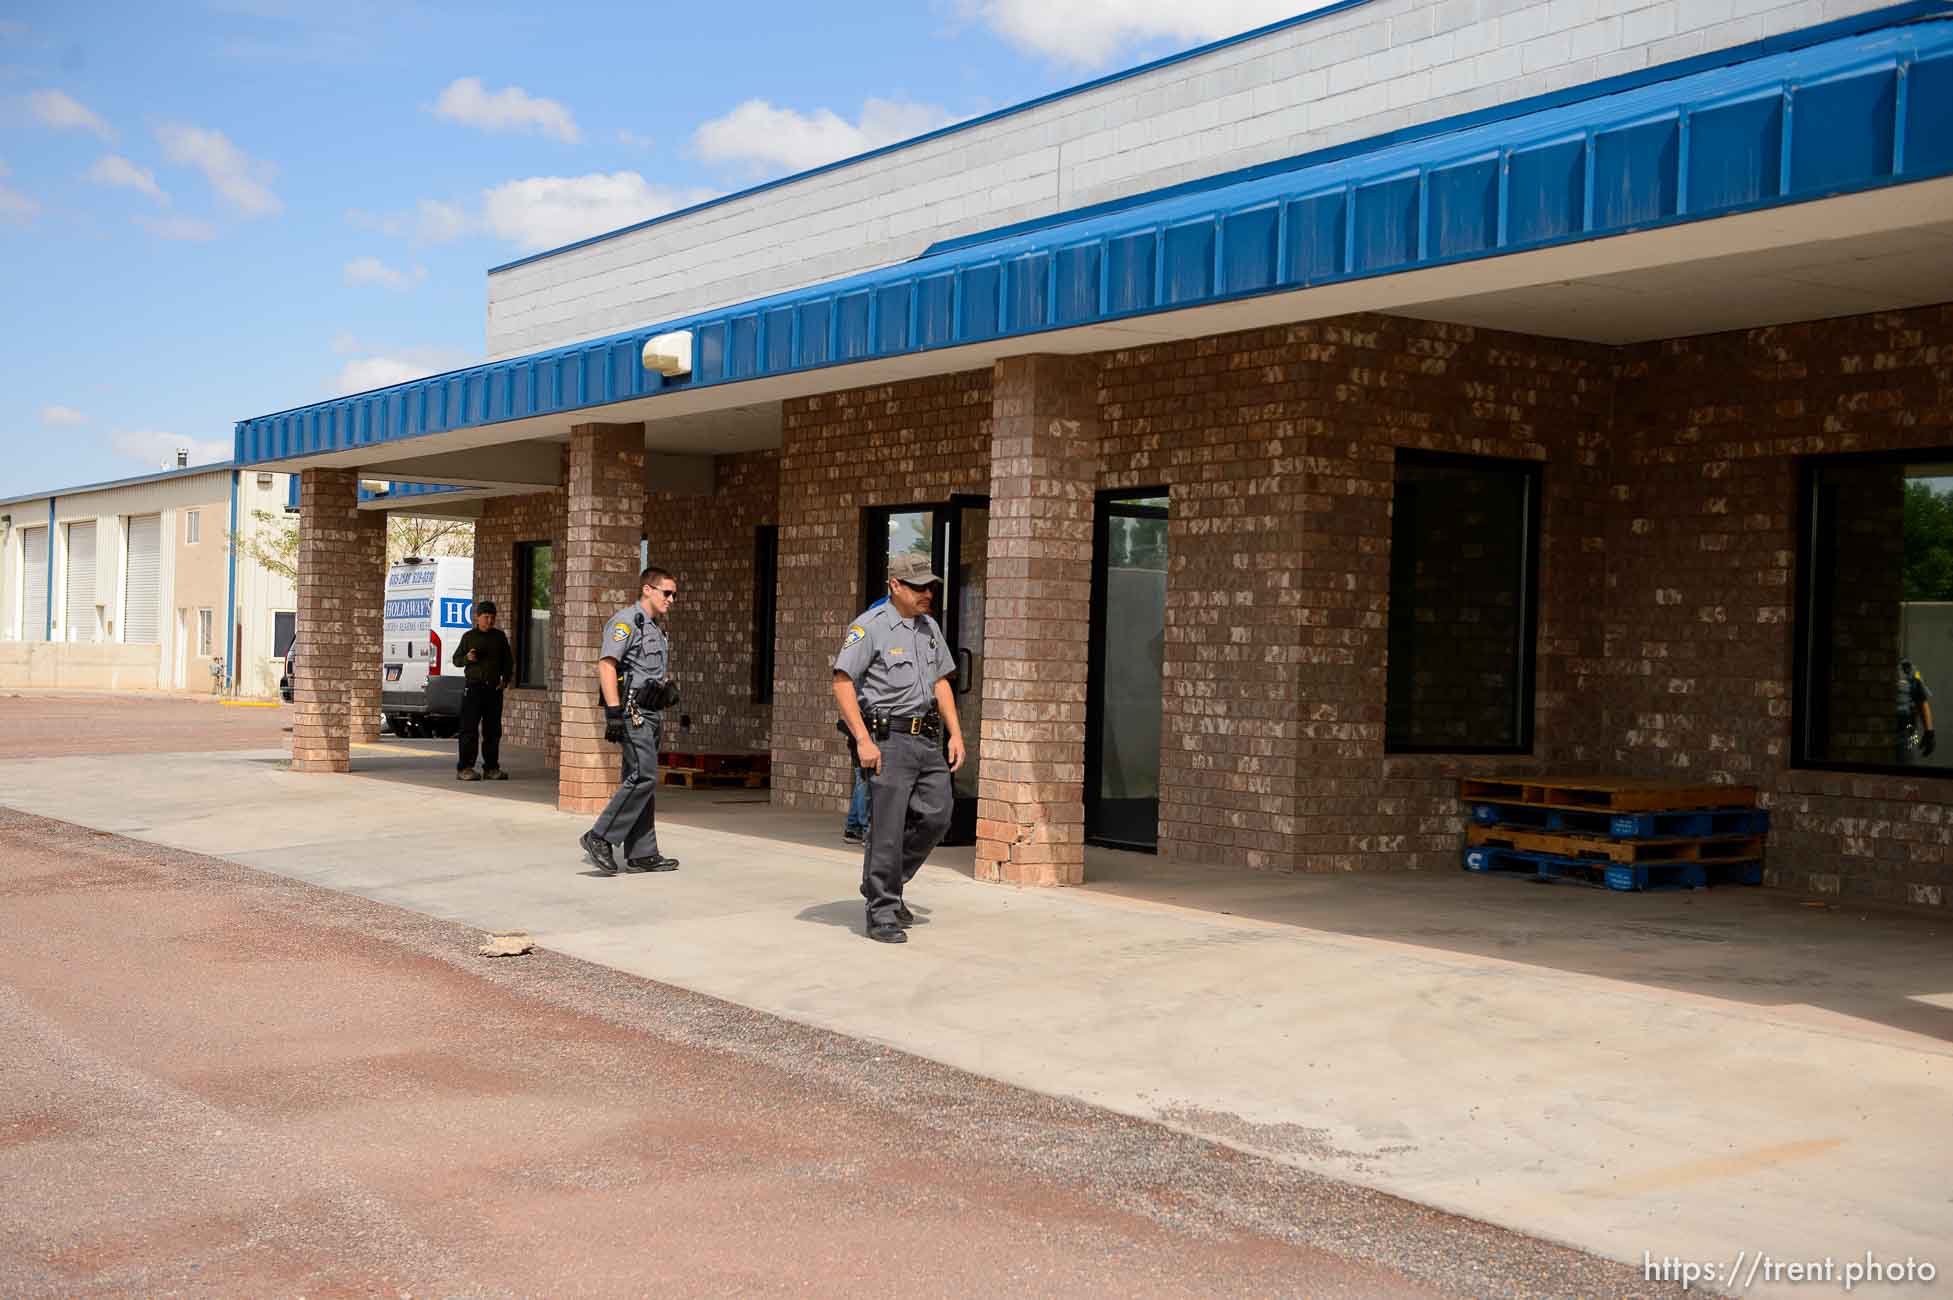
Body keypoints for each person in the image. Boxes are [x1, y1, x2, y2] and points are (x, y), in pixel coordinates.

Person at [832, 553, 965, 943]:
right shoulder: (868, 628)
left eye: (930, 587)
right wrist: (863, 741)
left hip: (926, 739)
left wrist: (956, 734)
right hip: (886, 740)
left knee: (938, 816)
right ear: (895, 585)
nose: (928, 593)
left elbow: (941, 682)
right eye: (919, 587)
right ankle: (883, 910)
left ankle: (883, 881)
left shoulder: (928, 628)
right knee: (886, 830)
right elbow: (842, 682)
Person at [581, 568, 681, 875]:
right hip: (632, 711)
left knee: (641, 779)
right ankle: (599, 836)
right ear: (648, 589)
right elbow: (607, 664)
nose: (672, 599)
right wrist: (613, 712)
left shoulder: (655, 627)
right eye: (667, 593)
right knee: (644, 775)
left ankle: (642, 853)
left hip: (651, 713)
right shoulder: (627, 622)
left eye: (675, 594)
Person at [842, 594, 889, 844]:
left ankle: (854, 825)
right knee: (866, 775)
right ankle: (866, 826)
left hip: (860, 720)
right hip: (866, 720)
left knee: (863, 775)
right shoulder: (868, 642)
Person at [451, 600, 513, 781]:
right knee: (469, 729)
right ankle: (465, 768)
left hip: (493, 689)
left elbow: (508, 661)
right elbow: (456, 659)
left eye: (493, 617)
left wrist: (505, 680)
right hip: (474, 688)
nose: (490, 621)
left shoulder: (499, 637)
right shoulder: (469, 637)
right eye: (486, 617)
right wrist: (467, 658)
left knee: (493, 731)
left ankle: (491, 768)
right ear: (477, 617)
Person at [1899, 657, 1935, 765]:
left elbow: (1922, 701)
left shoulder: (1910, 670)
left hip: (1907, 731)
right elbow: (1923, 703)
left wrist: (1929, 733)